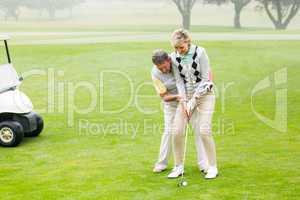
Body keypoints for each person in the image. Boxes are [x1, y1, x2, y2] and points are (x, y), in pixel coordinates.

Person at [167, 29, 218, 179]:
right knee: (176, 131)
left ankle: (212, 167)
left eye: (181, 47)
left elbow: (205, 79)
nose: (179, 51)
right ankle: (178, 167)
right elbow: (179, 81)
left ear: (187, 42)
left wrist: (194, 100)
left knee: (204, 130)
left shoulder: (200, 52)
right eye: (175, 48)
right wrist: (184, 100)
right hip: (186, 98)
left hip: (205, 96)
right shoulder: (174, 57)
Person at [151, 49, 208, 173]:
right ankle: (162, 163)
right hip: (172, 104)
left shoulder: (178, 61)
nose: (164, 70)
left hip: (191, 100)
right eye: (160, 68)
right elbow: (164, 96)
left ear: (168, 60)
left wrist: (189, 99)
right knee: (169, 131)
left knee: (198, 130)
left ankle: (204, 164)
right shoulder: (155, 73)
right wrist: (178, 97)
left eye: (165, 67)